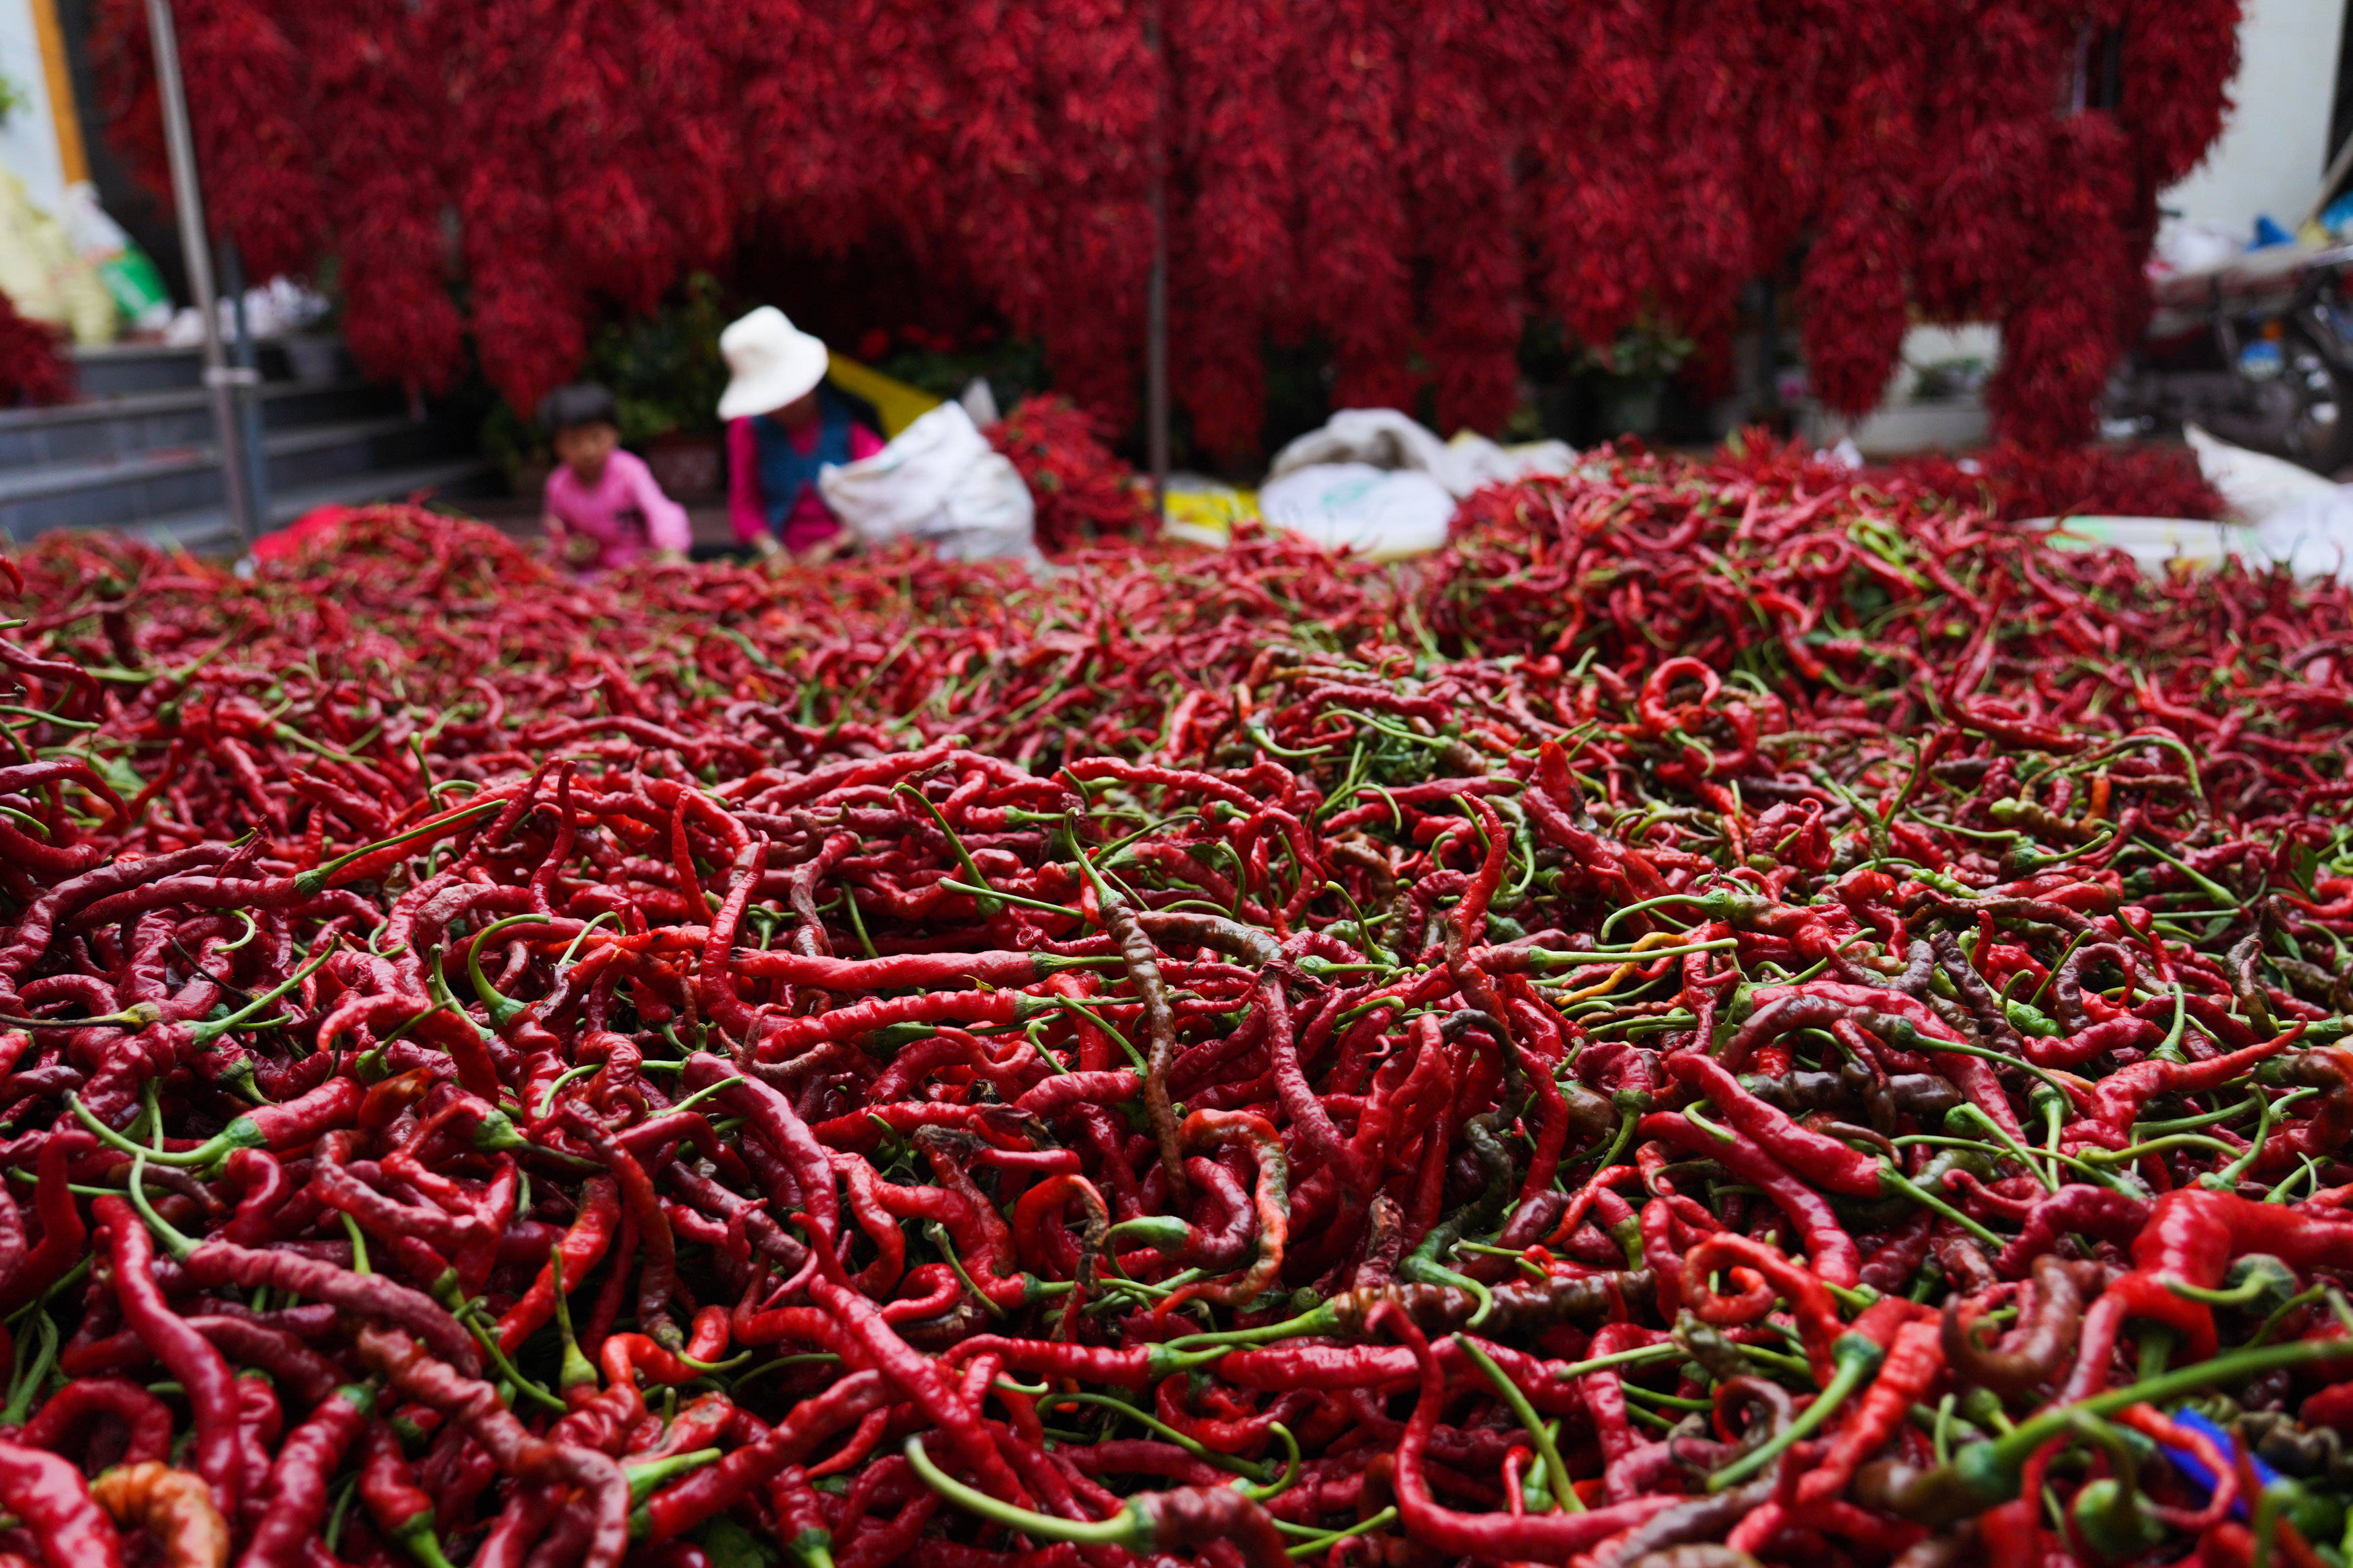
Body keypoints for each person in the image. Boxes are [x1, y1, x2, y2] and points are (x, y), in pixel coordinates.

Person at [719, 306, 885, 561]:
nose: (783, 407)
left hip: (857, 556)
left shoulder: (850, 419)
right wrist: (773, 551)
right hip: (785, 560)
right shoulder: (747, 429)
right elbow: (745, 507)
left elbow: (884, 493)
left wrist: (835, 545)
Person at [537, 382, 692, 573]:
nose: (588, 450)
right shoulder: (558, 485)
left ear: (615, 434)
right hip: (589, 576)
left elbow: (661, 511)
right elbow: (556, 533)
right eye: (574, 442)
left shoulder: (630, 471)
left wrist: (671, 549)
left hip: (639, 569)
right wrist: (567, 550)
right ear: (556, 446)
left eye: (596, 437)